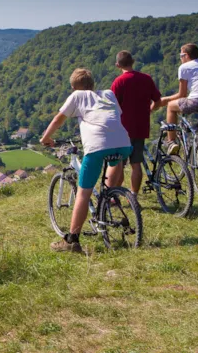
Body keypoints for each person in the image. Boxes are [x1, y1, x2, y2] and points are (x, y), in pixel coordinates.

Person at [41, 68, 132, 253]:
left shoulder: (77, 96)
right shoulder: (109, 94)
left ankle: (71, 240)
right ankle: (108, 197)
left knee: (83, 193)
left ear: (74, 87)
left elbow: (58, 119)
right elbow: (115, 116)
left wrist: (46, 138)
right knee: (115, 162)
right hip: (124, 144)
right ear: (92, 84)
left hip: (97, 146)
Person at [153, 43, 198, 190]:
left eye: (181, 55)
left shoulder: (184, 67)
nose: (180, 58)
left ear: (186, 56)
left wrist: (164, 101)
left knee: (171, 107)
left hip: (197, 100)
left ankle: (171, 142)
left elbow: (182, 94)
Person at [106, 51, 162, 195]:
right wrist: (150, 110)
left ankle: (114, 195)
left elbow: (111, 106)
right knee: (136, 164)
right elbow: (158, 100)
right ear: (133, 61)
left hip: (122, 129)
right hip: (140, 127)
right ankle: (134, 195)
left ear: (117, 65)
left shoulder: (119, 82)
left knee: (119, 163)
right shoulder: (146, 78)